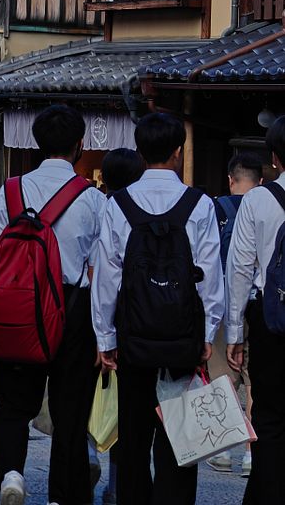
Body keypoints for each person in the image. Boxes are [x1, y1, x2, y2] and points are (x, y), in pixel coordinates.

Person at [92, 113, 223, 505]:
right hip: (182, 336)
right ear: (178, 152)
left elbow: (107, 278)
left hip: (133, 336)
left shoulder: (119, 205)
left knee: (133, 433)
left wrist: (104, 337)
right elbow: (210, 276)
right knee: (179, 435)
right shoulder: (198, 205)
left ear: (141, 152)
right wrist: (207, 333)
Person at [0, 104, 105, 505]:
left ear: (38, 144)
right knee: (69, 410)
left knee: (12, 402)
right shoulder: (91, 198)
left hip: (19, 306)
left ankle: (12, 474)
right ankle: (62, 495)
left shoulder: (10, 190)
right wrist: (104, 336)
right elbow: (99, 271)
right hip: (72, 309)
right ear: (79, 145)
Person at [226, 118, 285, 503]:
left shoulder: (259, 201)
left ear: (275, 159)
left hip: (273, 322)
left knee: (271, 418)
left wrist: (234, 333)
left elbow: (241, 268)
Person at [207, 151, 262, 478]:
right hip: (260, 304)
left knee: (223, 379)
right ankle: (251, 456)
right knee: (256, 384)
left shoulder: (216, 209)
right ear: (260, 181)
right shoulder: (270, 205)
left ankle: (223, 451)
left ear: (230, 179)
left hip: (224, 306)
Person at [97, 147, 145, 505]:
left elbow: (104, 275)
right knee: (132, 415)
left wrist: (103, 334)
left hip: (104, 320)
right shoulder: (183, 204)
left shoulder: (104, 207)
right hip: (150, 321)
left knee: (98, 405)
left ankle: (94, 466)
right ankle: (118, 485)